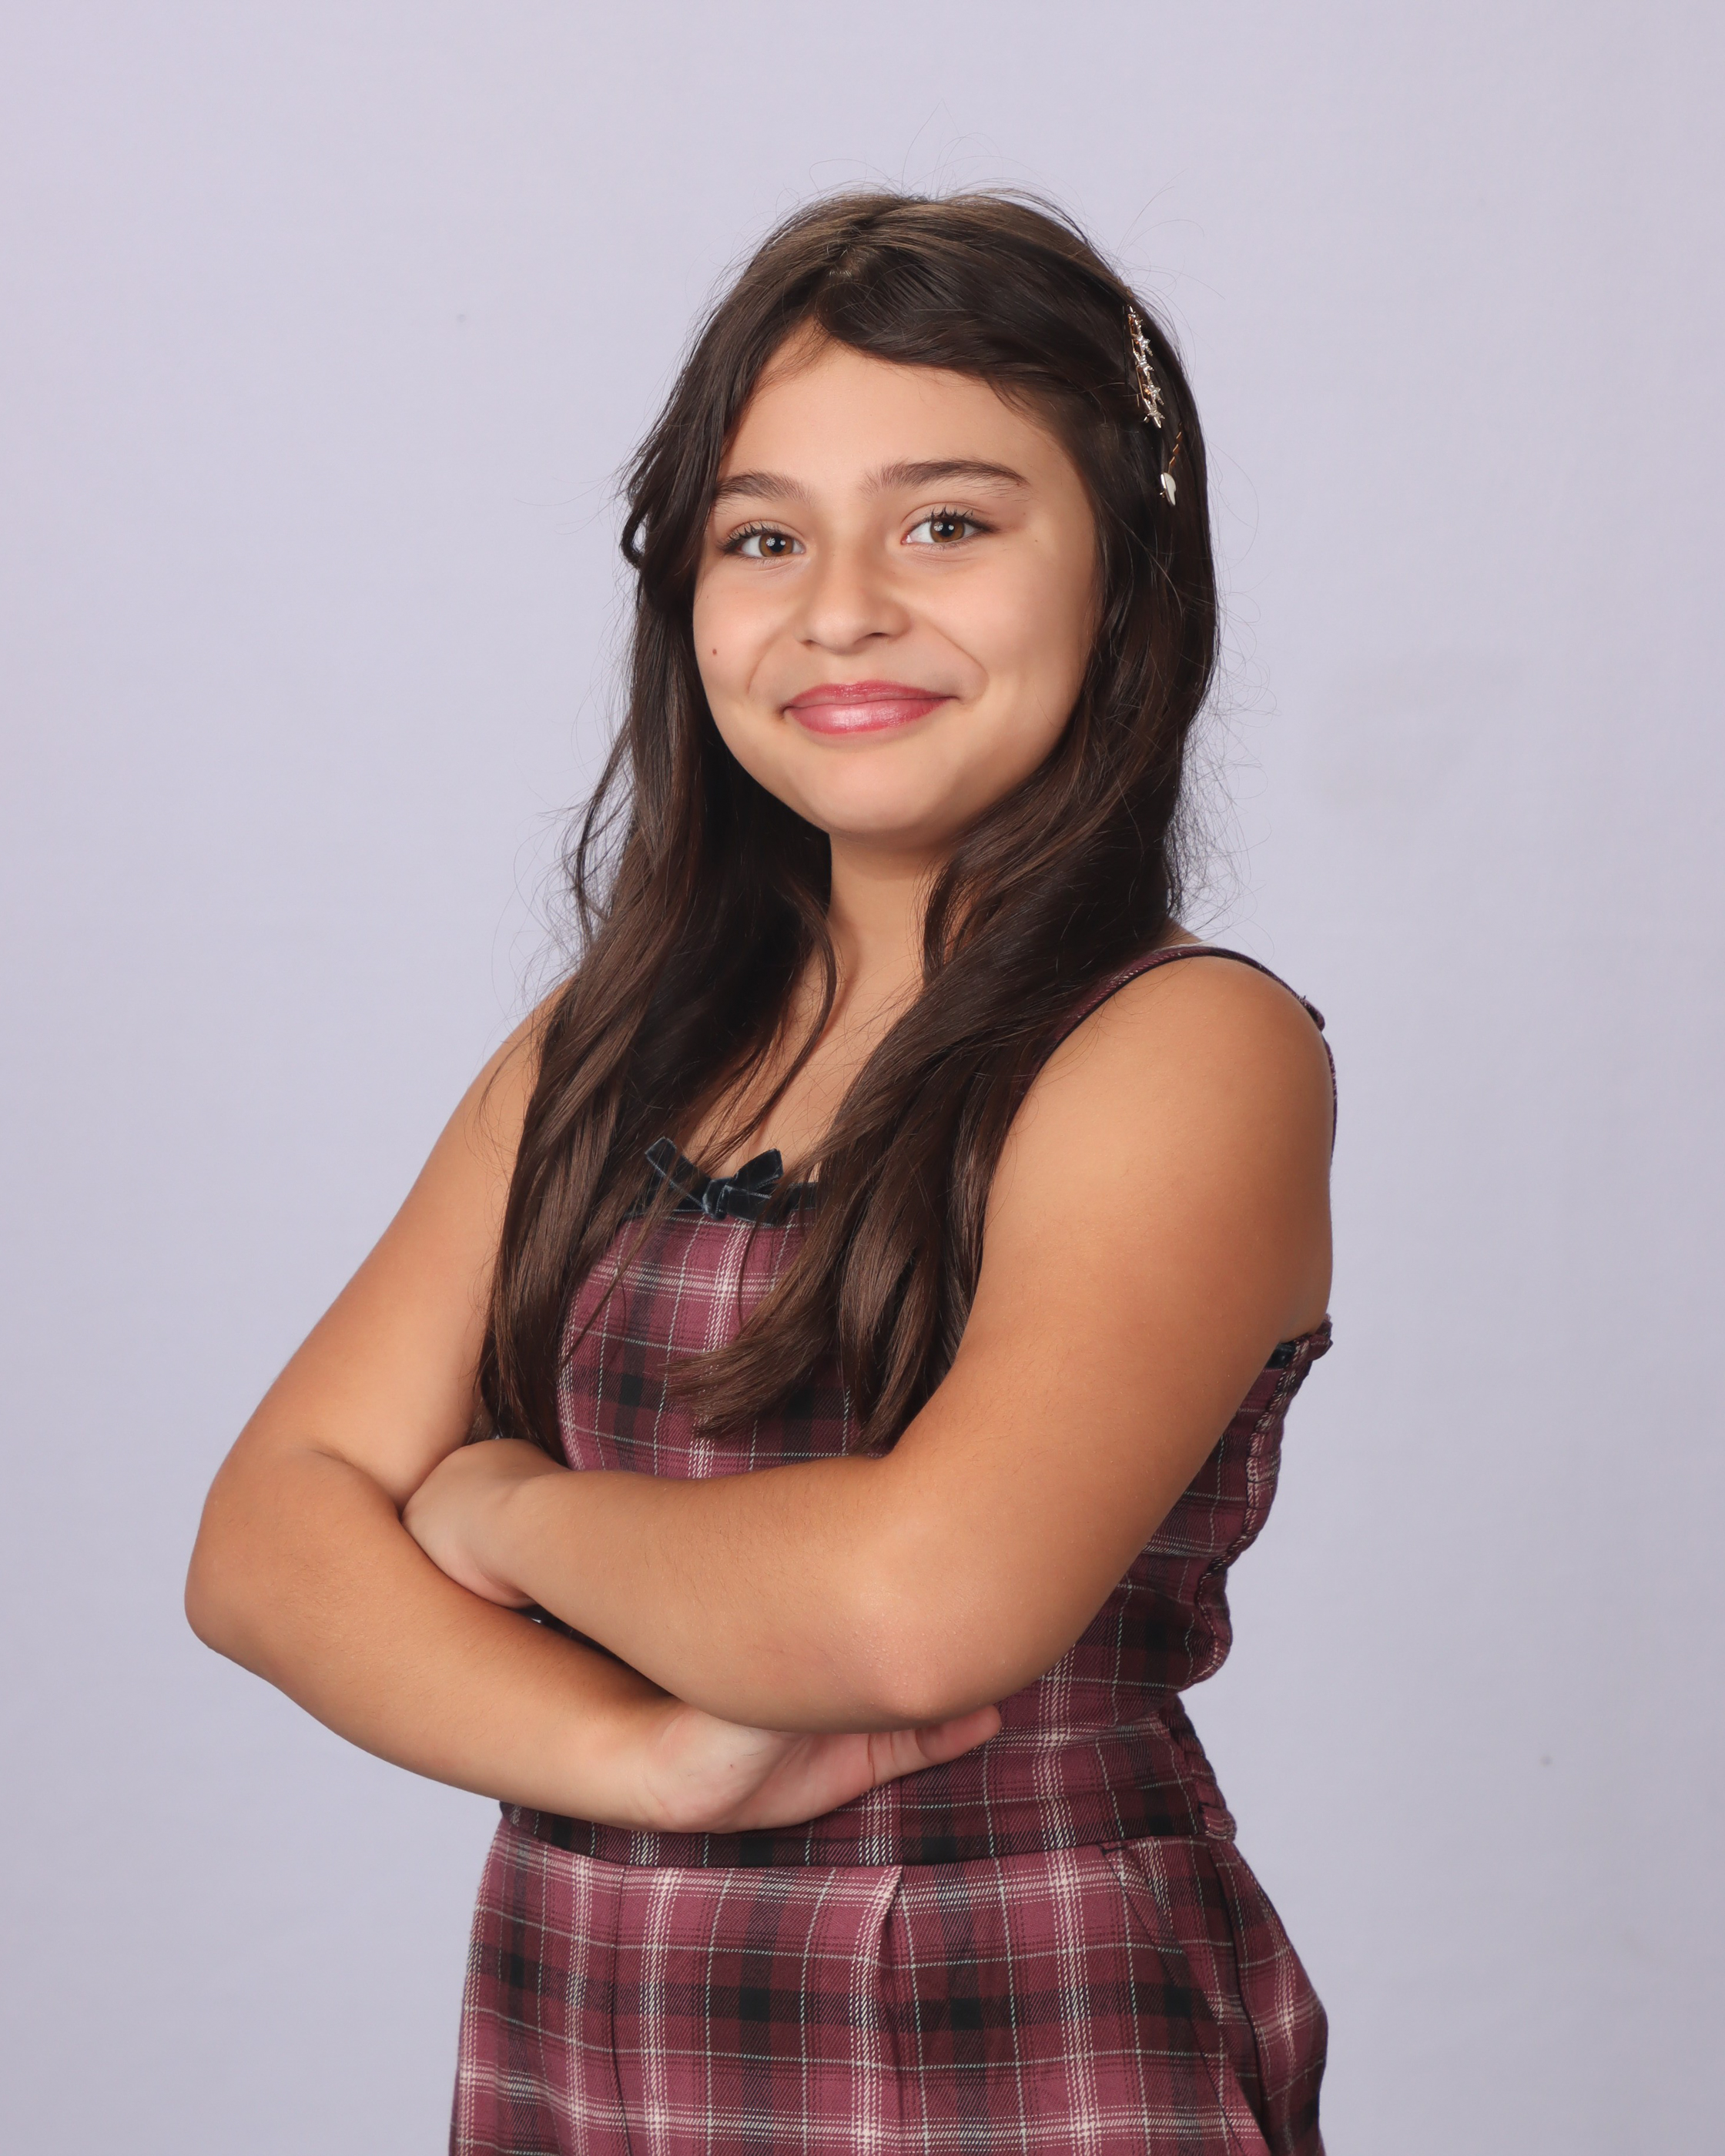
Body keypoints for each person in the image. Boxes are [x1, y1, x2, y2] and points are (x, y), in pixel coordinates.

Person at [187, 190, 1337, 2156]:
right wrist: (645, 1754)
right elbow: (263, 1545)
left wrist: (504, 1506)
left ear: (1129, 576)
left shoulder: (1180, 1046)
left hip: (1013, 2036)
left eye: (947, 523)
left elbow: (916, 1607)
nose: (842, 607)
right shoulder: (605, 1048)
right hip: (597, 2041)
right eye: (762, 536)